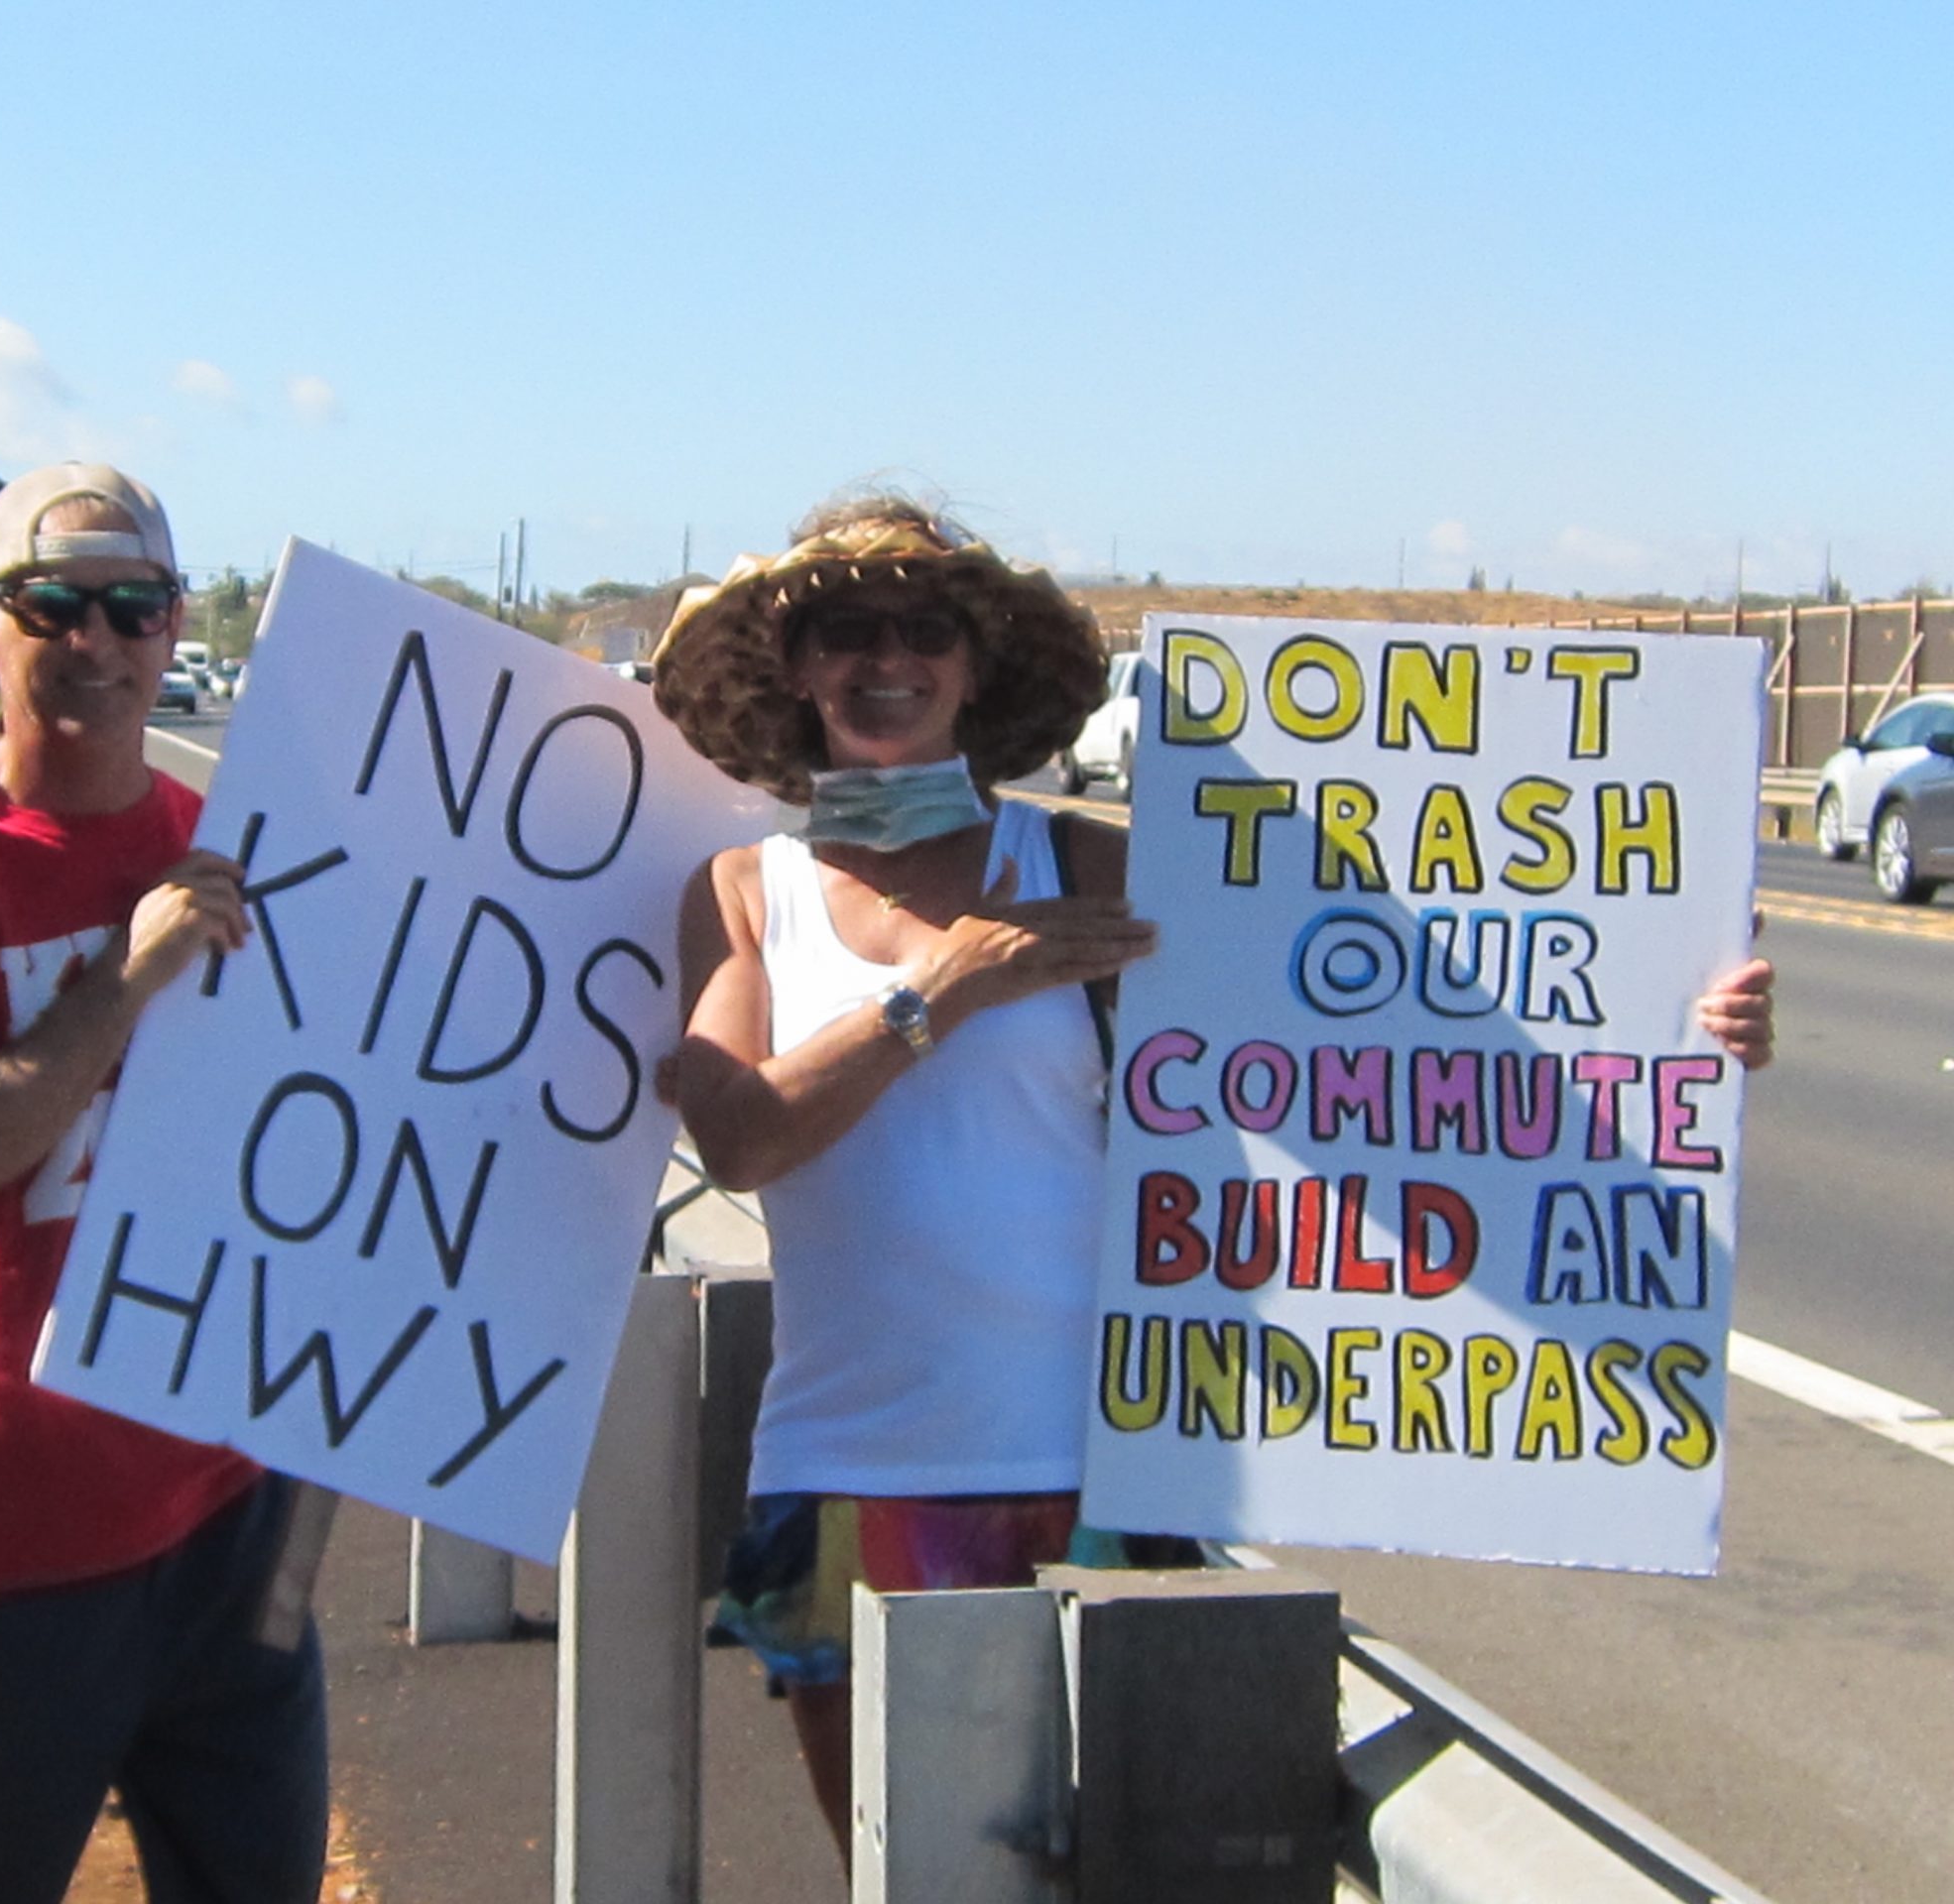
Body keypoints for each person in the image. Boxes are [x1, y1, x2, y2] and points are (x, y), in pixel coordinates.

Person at [653, 493, 1777, 1864]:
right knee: (912, 1878)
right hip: (848, 1473)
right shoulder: (743, 891)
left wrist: (1680, 1021)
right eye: (847, 630)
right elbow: (741, 1137)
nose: (888, 658)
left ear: (974, 666)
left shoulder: (1083, 866)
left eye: (925, 627)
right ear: (796, 666)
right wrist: (940, 992)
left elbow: (1389, 1017)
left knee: (1122, 1876)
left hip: (1103, 1472)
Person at [0, 462, 326, 1903]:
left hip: (229, 1519)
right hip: (2, 1547)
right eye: (53, 606)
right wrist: (125, 979)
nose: (96, 640)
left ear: (175, 626)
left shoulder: (225, 847)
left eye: (134, 605)